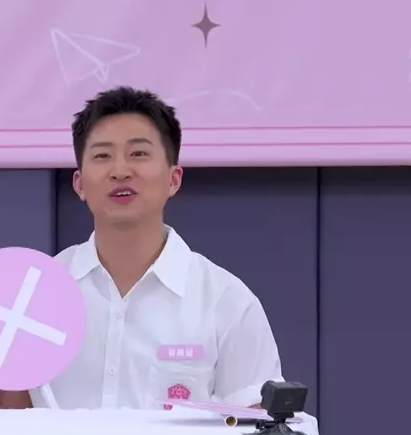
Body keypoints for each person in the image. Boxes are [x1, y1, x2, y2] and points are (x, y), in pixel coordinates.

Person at [23, 86, 283, 410]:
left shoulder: (226, 301)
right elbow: (4, 418)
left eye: (139, 154)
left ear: (174, 179)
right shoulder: (35, 293)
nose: (120, 171)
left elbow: (257, 423)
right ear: (79, 184)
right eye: (102, 156)